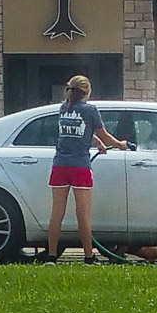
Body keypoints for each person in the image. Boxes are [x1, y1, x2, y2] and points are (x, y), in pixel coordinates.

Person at [44, 75, 127, 265]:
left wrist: (96, 143)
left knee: (57, 213)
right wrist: (119, 144)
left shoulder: (63, 109)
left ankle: (51, 256)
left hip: (59, 165)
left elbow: (77, 131)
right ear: (87, 92)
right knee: (82, 214)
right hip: (79, 165)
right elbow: (103, 134)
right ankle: (89, 257)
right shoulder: (90, 110)